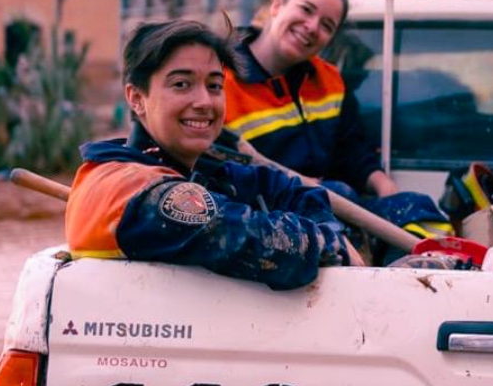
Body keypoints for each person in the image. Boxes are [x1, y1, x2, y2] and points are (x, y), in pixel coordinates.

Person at [65, 20, 360, 290]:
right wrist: (334, 244)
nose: (204, 102)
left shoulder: (192, 169)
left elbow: (284, 189)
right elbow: (267, 244)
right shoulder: (132, 190)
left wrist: (328, 230)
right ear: (137, 98)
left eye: (214, 86)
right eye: (181, 84)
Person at [221, 0, 451, 241]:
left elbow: (351, 149)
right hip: (266, 215)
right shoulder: (220, 80)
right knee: (339, 193)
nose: (312, 27)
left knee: (416, 206)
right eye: (306, 9)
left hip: (329, 205)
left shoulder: (329, 80)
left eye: (327, 25)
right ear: (277, 4)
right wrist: (309, 187)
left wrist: (386, 187)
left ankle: (437, 272)